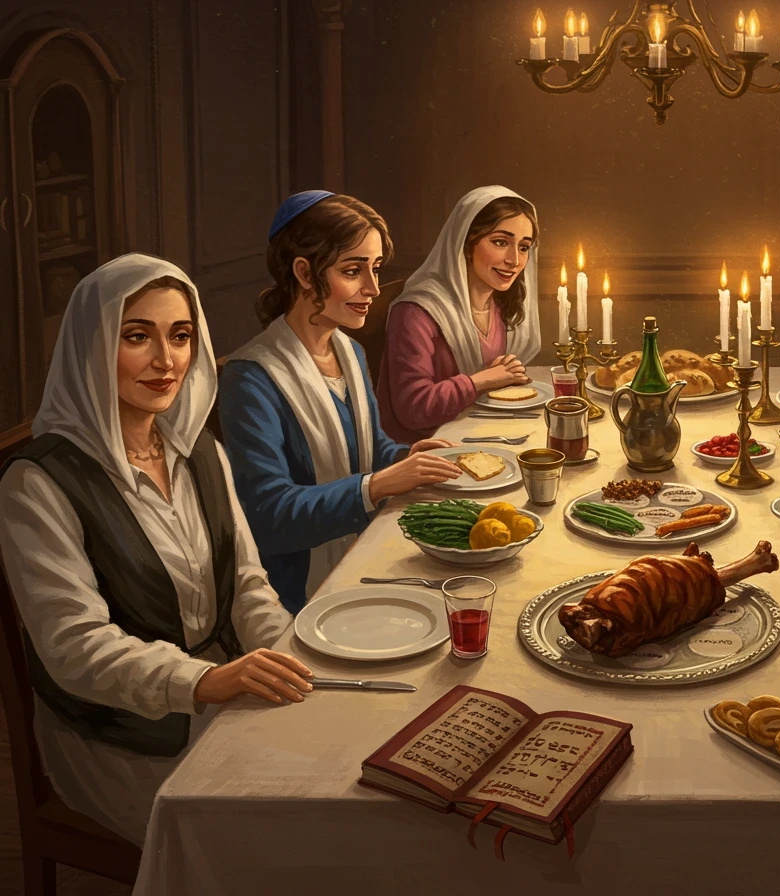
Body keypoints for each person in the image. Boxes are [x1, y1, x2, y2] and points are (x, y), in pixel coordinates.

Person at [0, 254, 314, 846]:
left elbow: (248, 587)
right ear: (91, 347)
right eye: (137, 337)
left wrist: (287, 656)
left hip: (216, 693)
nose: (166, 361)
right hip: (115, 735)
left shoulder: (200, 452)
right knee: (267, 839)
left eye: (181, 336)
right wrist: (205, 682)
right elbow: (75, 648)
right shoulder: (37, 483)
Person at [219, 192, 459, 614]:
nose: (373, 288)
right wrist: (380, 484)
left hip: (362, 552)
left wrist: (406, 458)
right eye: (353, 270)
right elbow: (269, 516)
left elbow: (368, 449)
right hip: (298, 592)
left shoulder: (348, 350)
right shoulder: (251, 377)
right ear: (305, 273)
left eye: (376, 268)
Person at [377, 185, 542, 441]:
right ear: (465, 242)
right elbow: (413, 408)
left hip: (478, 434)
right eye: (500, 242)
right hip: (424, 451)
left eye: (523, 247)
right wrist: (482, 380)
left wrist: (498, 373)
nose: (515, 260)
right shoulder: (416, 311)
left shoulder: (499, 307)